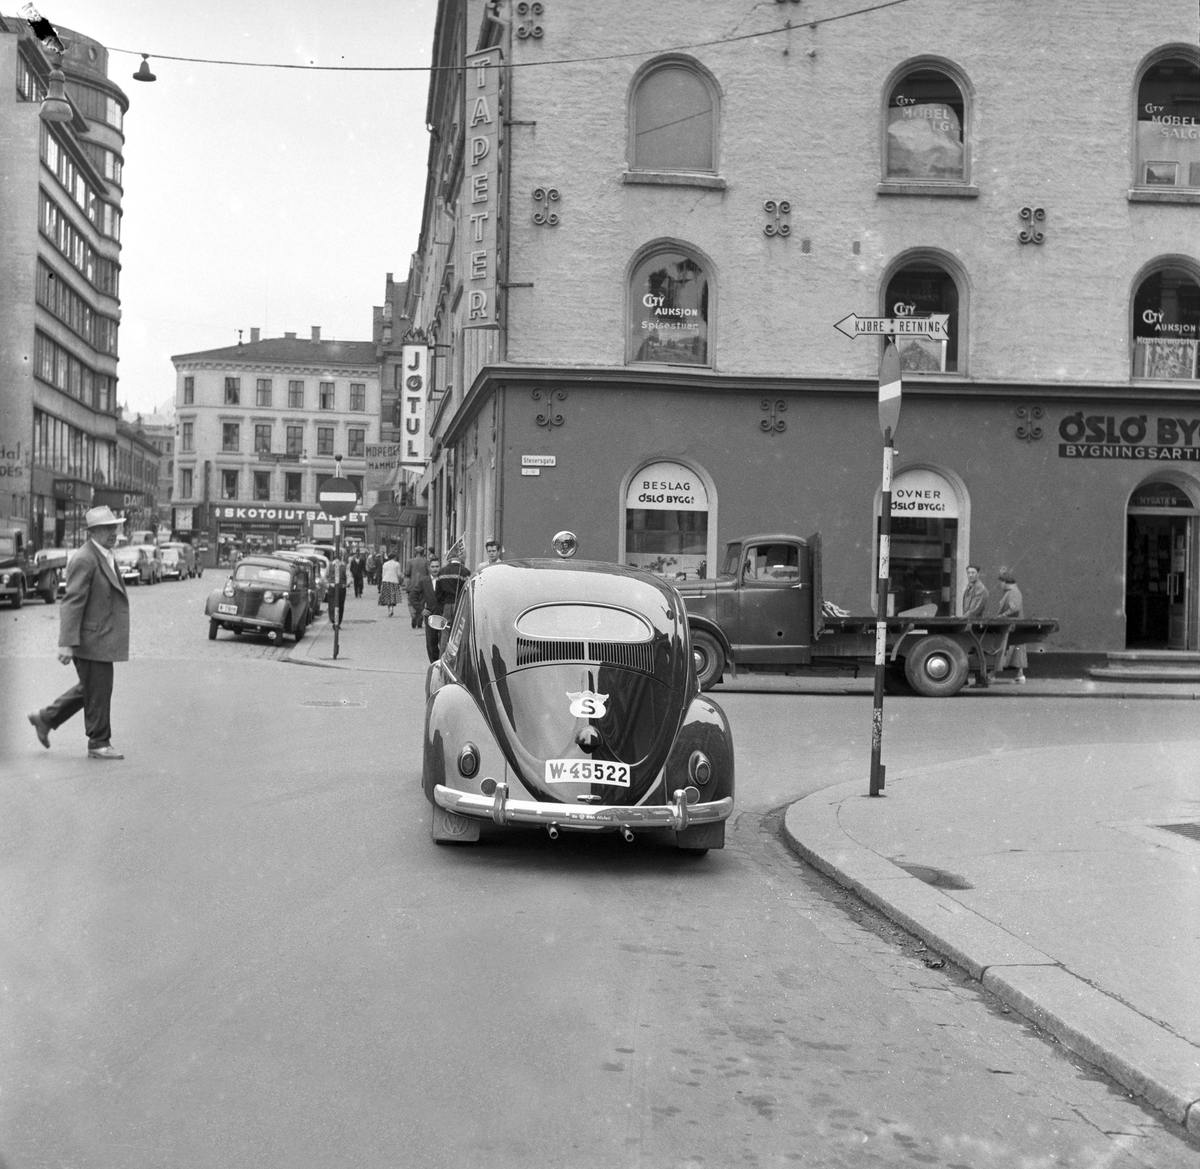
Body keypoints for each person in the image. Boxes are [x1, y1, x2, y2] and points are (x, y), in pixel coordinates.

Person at [28, 506, 130, 760]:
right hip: (90, 639)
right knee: (99, 689)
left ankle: (45, 718)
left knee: (92, 688)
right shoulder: (86, 558)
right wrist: (66, 643)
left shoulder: (104, 554)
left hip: (100, 637)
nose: (114, 532)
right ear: (93, 531)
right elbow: (72, 602)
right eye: (108, 528)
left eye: (115, 527)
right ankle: (98, 742)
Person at [435, 541, 471, 656]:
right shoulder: (464, 572)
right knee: (459, 632)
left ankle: (442, 657)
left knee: (445, 631)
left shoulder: (442, 572)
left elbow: (438, 594)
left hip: (447, 605)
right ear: (460, 557)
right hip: (459, 605)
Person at [996, 567, 1027, 683]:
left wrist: (1003, 615)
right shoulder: (1013, 591)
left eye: (1001, 583)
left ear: (1005, 582)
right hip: (1013, 626)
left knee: (1011, 650)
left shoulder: (1013, 592)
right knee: (1015, 651)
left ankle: (1019, 675)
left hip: (1012, 626)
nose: (1000, 585)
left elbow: (1014, 608)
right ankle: (1019, 675)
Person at [419, 556, 442, 662]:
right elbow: (413, 596)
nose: (435, 569)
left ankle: (443, 662)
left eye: (437, 566)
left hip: (442, 615)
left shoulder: (443, 579)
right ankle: (434, 663)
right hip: (430, 615)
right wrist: (421, 609)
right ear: (429, 568)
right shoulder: (424, 581)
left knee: (443, 640)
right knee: (431, 642)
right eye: (433, 567)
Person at [403, 544, 429, 628]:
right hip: (423, 585)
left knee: (411, 602)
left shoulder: (410, 561)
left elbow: (407, 573)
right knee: (421, 603)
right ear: (423, 553)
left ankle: (413, 615)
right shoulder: (426, 562)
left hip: (412, 585)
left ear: (415, 552)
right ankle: (419, 621)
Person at [327, 552, 349, 626]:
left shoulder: (343, 566)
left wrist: (347, 583)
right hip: (333, 587)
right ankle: (334, 620)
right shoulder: (330, 565)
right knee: (332, 604)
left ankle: (338, 621)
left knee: (340, 605)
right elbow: (326, 576)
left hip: (341, 587)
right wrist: (328, 584)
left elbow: (348, 576)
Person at [379, 551, 403, 617]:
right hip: (394, 581)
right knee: (393, 596)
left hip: (386, 580)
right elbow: (399, 574)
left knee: (387, 596)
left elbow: (383, 574)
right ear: (394, 557)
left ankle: (389, 609)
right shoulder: (397, 564)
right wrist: (401, 578)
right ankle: (392, 608)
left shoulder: (385, 564)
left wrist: (382, 582)